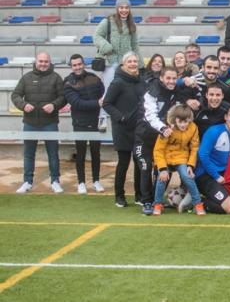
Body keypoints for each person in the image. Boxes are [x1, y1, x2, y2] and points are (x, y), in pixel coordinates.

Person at [12, 52, 66, 194]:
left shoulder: (56, 78)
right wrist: (23, 105)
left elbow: (63, 97)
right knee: (29, 154)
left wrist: (54, 105)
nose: (43, 64)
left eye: (46, 61)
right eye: (41, 61)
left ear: (50, 62)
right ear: (36, 62)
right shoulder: (27, 77)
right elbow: (15, 95)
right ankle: (27, 182)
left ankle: (55, 181)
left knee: (53, 154)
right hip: (30, 123)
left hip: (50, 123)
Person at [134, 66, 180, 215]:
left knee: (165, 169)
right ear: (161, 78)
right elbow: (150, 116)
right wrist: (163, 128)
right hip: (144, 137)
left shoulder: (176, 92)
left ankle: (157, 199)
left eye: (174, 78)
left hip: (162, 140)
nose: (171, 81)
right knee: (145, 168)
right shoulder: (152, 91)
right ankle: (146, 202)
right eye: (168, 78)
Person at [102, 52, 146, 207]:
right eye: (130, 62)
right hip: (122, 129)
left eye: (135, 61)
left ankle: (139, 196)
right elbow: (107, 103)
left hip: (139, 129)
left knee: (139, 162)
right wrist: (120, 117)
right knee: (123, 163)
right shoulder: (117, 82)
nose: (133, 64)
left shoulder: (141, 81)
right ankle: (119, 197)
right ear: (123, 64)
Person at [93, 0, 142, 131]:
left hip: (124, 63)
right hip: (110, 61)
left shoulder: (132, 24)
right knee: (108, 90)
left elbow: (135, 44)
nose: (124, 10)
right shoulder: (108, 21)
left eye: (126, 7)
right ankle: (102, 118)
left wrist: (140, 64)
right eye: (121, 7)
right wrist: (106, 47)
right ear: (117, 8)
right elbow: (96, 36)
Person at [151, 105, 205, 216]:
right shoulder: (167, 129)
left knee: (187, 176)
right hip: (166, 157)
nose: (183, 124)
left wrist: (191, 165)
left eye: (185, 121)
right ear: (175, 119)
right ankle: (157, 204)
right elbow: (158, 150)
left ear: (189, 119)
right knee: (162, 178)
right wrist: (162, 168)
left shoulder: (193, 127)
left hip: (181, 157)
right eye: (180, 122)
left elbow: (194, 147)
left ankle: (198, 204)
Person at [63, 54, 105, 194]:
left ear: (83, 64)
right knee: (80, 154)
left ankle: (96, 181)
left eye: (79, 64)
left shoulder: (94, 77)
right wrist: (96, 103)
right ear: (71, 66)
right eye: (74, 65)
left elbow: (102, 92)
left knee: (96, 153)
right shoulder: (68, 82)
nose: (77, 67)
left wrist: (98, 103)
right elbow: (76, 103)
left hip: (95, 122)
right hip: (79, 123)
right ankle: (81, 182)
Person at [195, 105, 230, 215]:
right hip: (206, 176)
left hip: (223, 175)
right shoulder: (214, 131)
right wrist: (216, 176)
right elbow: (202, 155)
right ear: (226, 117)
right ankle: (197, 201)